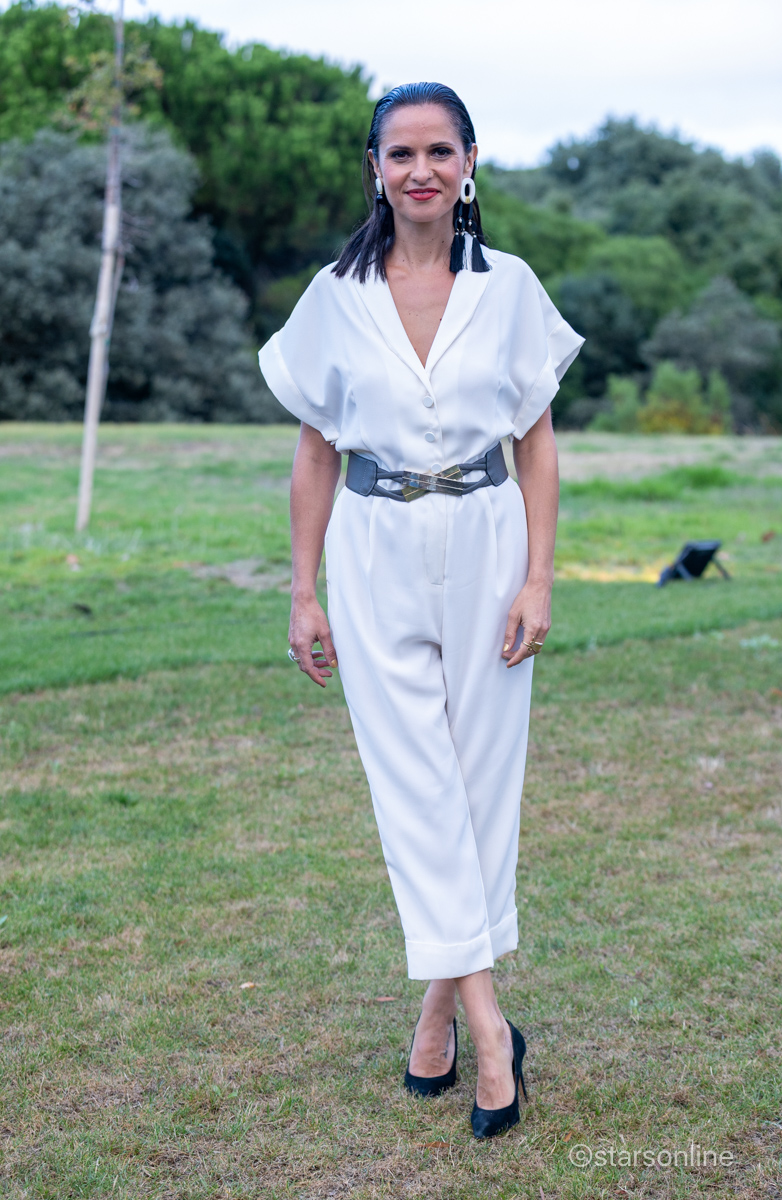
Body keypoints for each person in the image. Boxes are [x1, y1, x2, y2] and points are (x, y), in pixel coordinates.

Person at [259, 81, 583, 1139]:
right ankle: (489, 1031)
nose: (420, 170)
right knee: (415, 791)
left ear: (469, 162)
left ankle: (437, 1017)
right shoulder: (332, 297)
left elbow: (536, 442)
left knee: (480, 790)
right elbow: (314, 451)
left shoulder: (511, 288)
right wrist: (301, 590)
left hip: (488, 539)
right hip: (372, 546)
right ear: (375, 169)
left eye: (440, 150)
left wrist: (539, 577)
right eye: (400, 153)